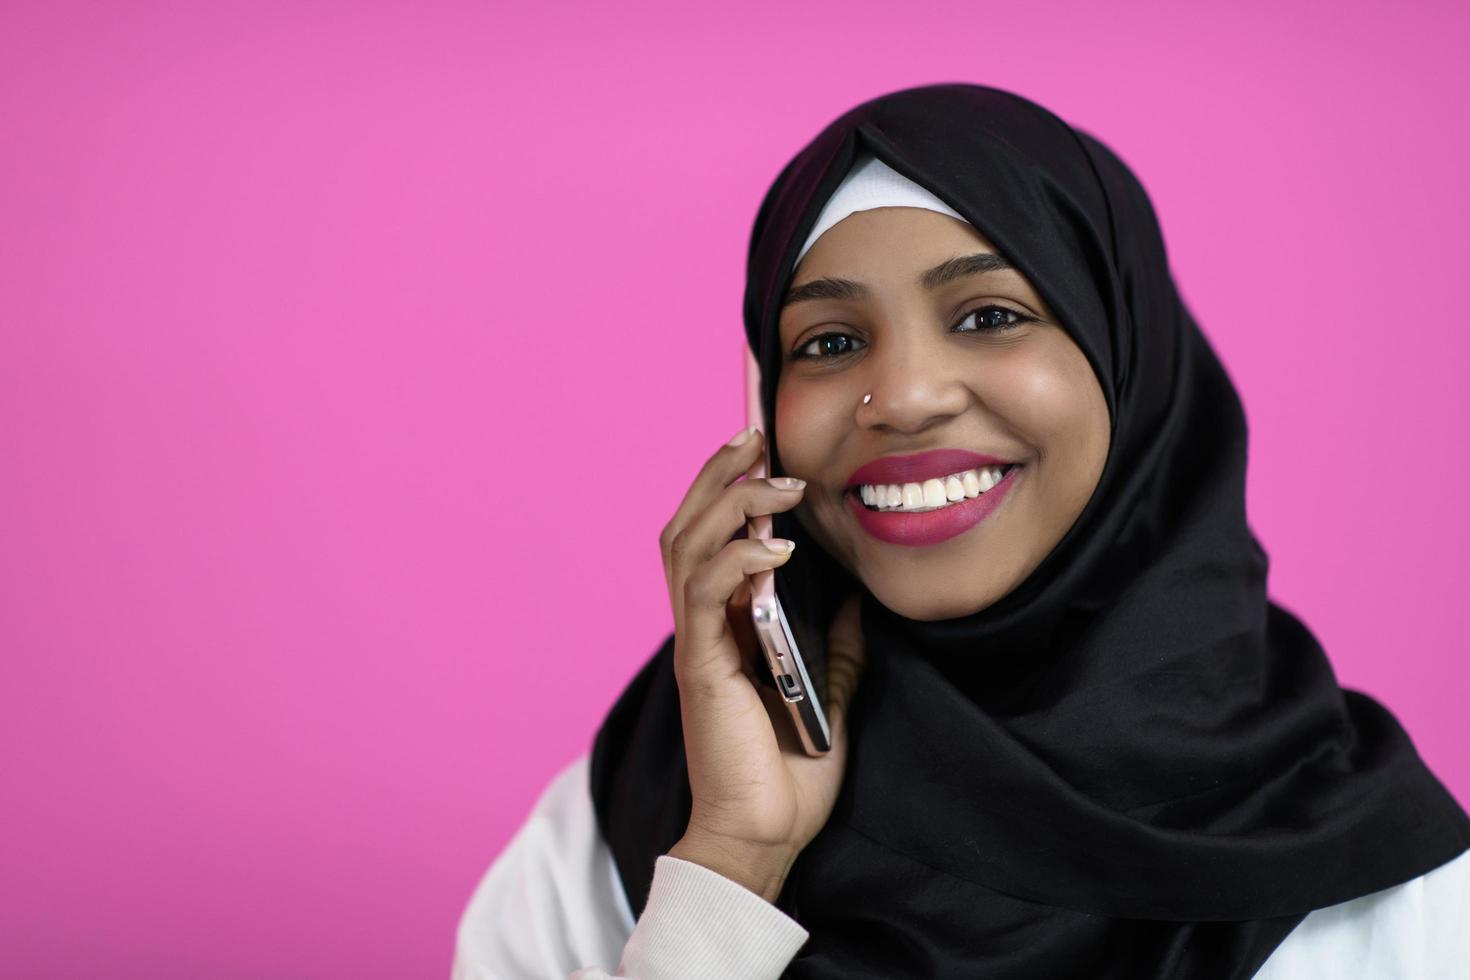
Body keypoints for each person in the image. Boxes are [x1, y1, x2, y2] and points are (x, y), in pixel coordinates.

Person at [453, 83, 1470, 979]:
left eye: (988, 314)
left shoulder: (1380, 875)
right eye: (832, 341)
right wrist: (732, 861)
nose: (900, 397)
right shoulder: (626, 824)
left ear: (1130, 360)